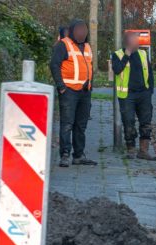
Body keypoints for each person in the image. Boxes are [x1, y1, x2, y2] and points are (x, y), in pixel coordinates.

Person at [50, 19, 97, 167]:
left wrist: (90, 86)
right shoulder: (64, 44)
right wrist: (61, 87)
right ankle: (65, 155)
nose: (82, 32)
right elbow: (54, 64)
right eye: (79, 30)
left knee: (81, 125)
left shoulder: (88, 46)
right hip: (69, 92)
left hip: (84, 92)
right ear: (72, 31)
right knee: (67, 124)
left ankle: (78, 155)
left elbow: (89, 67)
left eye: (84, 30)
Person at [111, 31, 156, 161]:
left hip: (144, 94)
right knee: (129, 122)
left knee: (146, 122)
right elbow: (117, 70)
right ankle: (131, 149)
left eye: (138, 41)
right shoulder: (117, 55)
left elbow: (150, 73)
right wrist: (127, 55)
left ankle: (143, 151)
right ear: (127, 42)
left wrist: (150, 90)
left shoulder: (143, 54)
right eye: (134, 41)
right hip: (127, 95)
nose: (137, 43)